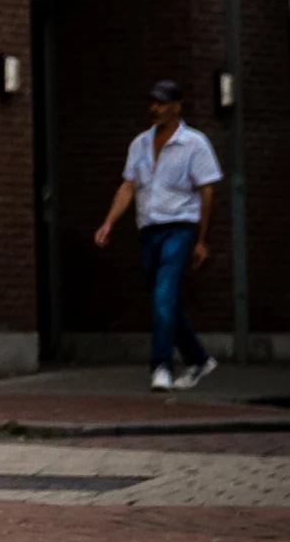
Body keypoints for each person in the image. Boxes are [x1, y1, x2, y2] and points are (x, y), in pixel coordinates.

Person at [94, 78, 223, 391]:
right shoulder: (139, 144)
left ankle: (161, 366)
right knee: (163, 299)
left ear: (177, 106)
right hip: (149, 229)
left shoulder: (195, 143)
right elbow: (128, 186)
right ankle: (199, 359)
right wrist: (109, 222)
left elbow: (207, 192)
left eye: (162, 103)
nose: (155, 108)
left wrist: (201, 239)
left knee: (164, 295)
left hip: (180, 226)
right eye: (152, 102)